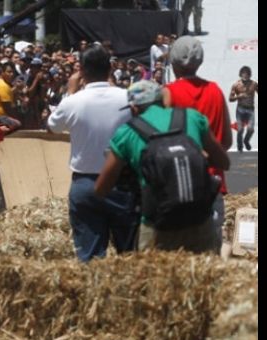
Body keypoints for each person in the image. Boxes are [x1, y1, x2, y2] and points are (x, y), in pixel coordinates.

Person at [94, 80, 230, 254]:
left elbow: (101, 188)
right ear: (163, 101)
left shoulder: (127, 132)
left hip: (156, 227)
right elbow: (223, 162)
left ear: (134, 108)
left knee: (156, 278)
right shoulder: (192, 117)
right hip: (200, 221)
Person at [47, 45, 139, 262]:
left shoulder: (72, 101)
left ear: (82, 71)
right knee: (130, 257)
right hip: (122, 183)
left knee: (89, 258)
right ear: (110, 69)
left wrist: (70, 92)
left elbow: (53, 127)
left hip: (85, 184)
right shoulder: (127, 98)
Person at [163, 35, 232, 251]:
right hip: (212, 180)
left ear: (173, 62)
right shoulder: (215, 91)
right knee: (212, 246)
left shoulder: (168, 93)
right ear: (200, 62)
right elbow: (227, 141)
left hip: (178, 182)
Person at [229, 66, 258, 151]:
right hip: (240, 110)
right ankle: (240, 145)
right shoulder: (236, 85)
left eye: (247, 74)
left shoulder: (254, 84)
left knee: (251, 129)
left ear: (249, 75)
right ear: (240, 74)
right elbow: (230, 99)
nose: (245, 76)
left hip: (250, 110)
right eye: (243, 74)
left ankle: (246, 141)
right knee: (240, 129)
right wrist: (238, 96)